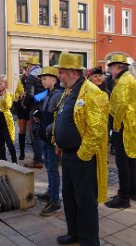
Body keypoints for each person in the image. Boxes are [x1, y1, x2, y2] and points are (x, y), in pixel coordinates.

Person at [54, 53, 109, 245]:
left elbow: (98, 131)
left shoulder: (93, 93)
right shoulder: (69, 91)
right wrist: (58, 142)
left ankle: (89, 241)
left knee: (85, 201)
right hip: (68, 155)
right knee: (69, 196)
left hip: (82, 158)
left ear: (72, 72)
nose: (59, 76)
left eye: (61, 72)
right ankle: (74, 233)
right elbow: (60, 116)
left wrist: (82, 154)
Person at [105, 54, 136, 209]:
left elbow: (122, 105)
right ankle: (132, 191)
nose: (110, 70)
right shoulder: (127, 79)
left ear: (118, 67)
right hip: (130, 126)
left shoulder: (124, 81)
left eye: (111, 67)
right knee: (131, 160)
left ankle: (123, 197)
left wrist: (116, 126)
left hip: (124, 127)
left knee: (122, 162)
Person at [35, 67, 63, 216]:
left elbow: (58, 117)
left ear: (54, 79)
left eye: (45, 78)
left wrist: (47, 128)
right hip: (46, 136)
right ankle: (50, 192)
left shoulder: (58, 94)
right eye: (42, 78)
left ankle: (55, 201)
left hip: (52, 137)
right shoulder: (49, 93)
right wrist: (39, 115)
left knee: (52, 168)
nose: (42, 80)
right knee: (48, 165)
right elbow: (46, 112)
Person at [23, 56, 45, 168]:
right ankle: (43, 158)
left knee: (36, 134)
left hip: (35, 108)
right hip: (45, 107)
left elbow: (30, 95)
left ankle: (38, 160)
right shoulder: (43, 75)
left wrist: (25, 103)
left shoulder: (31, 77)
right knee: (44, 133)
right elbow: (48, 92)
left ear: (30, 65)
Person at [14, 66, 31, 161]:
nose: (28, 71)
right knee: (22, 130)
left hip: (31, 107)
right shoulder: (21, 80)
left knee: (32, 130)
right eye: (27, 69)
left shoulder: (36, 79)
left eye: (30, 69)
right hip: (22, 107)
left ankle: (37, 155)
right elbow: (16, 94)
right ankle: (22, 152)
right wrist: (20, 95)